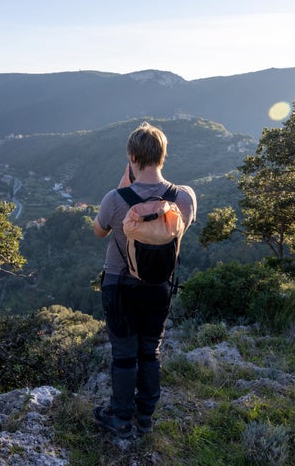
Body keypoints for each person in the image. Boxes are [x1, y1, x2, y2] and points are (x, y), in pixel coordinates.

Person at [92, 121, 197, 437]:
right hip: (159, 287)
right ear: (163, 156)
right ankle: (146, 417)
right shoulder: (184, 198)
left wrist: (122, 189)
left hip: (120, 285)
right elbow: (180, 231)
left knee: (124, 354)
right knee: (150, 351)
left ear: (132, 157)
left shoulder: (116, 198)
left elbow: (99, 231)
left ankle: (121, 418)